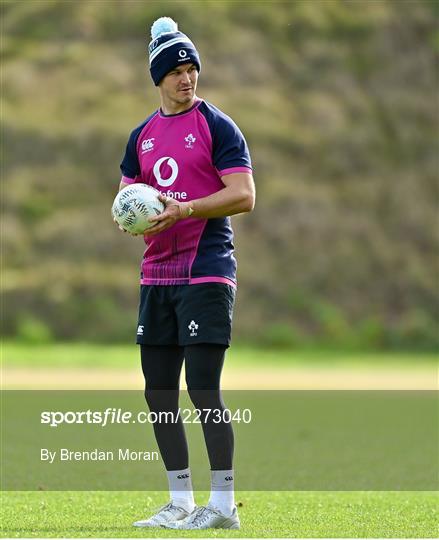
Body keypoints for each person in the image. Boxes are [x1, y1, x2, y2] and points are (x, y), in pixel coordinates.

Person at [117, 16, 255, 530]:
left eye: (191, 67)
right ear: (158, 76)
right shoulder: (141, 138)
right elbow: (129, 200)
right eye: (175, 69)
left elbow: (244, 195)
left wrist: (184, 209)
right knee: (158, 393)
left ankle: (221, 507)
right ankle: (179, 501)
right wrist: (134, 219)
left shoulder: (217, 125)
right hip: (157, 275)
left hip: (206, 271)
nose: (186, 77)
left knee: (202, 390)